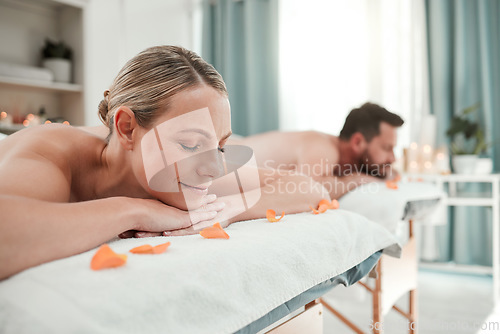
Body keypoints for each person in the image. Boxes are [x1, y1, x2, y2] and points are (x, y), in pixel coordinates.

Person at [0, 46, 328, 280]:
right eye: (190, 144)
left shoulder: (181, 172)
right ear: (127, 127)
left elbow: (307, 187)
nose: (213, 168)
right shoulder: (48, 154)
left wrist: (225, 210)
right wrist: (135, 210)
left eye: (221, 147)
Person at [231, 103, 404, 199]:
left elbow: (388, 173)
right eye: (386, 148)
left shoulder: (344, 160)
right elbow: (307, 189)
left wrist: (379, 175)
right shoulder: (324, 148)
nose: (393, 158)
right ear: (357, 142)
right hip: (223, 156)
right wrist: (358, 179)